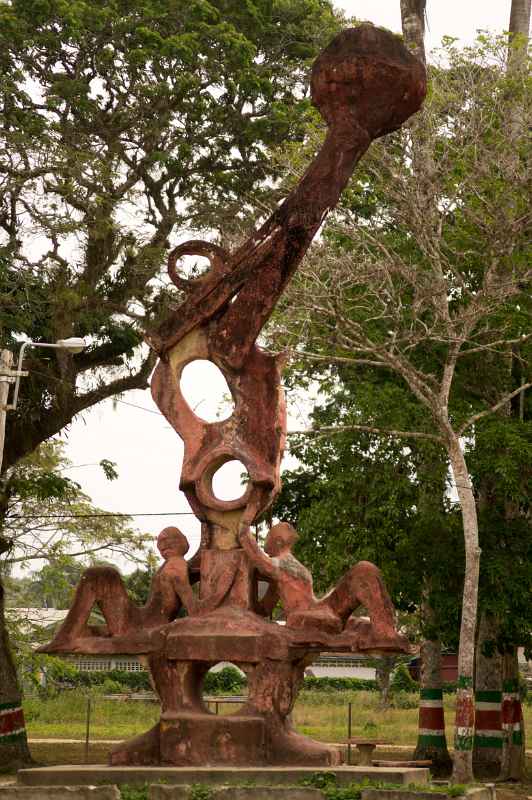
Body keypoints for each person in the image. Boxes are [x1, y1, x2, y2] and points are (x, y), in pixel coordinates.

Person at [40, 527, 226, 652]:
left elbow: (192, 609)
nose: (162, 548)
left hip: (140, 627)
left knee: (100, 575)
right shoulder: (175, 565)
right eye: (161, 546)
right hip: (138, 622)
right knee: (91, 629)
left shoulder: (174, 568)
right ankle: (69, 636)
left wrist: (222, 588)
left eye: (165, 544)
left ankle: (66, 637)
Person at [239, 521, 407, 649]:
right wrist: (251, 586)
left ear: (278, 542)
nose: (265, 547)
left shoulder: (280, 563)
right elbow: (264, 609)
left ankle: (384, 633)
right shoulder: (296, 570)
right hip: (325, 611)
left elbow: (257, 557)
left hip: (307, 618)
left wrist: (244, 526)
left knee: (363, 570)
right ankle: (385, 631)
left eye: (267, 541)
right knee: (364, 569)